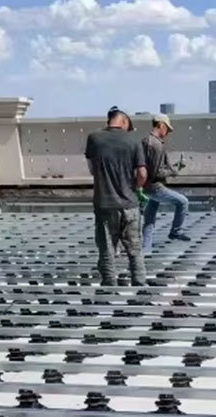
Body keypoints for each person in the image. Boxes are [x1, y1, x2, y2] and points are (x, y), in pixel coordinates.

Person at [84, 107, 148, 286]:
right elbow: (142, 173)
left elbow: (92, 169)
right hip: (129, 204)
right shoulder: (134, 140)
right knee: (135, 250)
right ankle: (140, 285)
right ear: (124, 121)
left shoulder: (94, 138)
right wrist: (136, 187)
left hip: (104, 203)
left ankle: (109, 287)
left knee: (107, 249)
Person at [142, 113, 189, 255]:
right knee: (183, 202)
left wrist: (174, 168)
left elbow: (150, 167)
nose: (167, 132)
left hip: (145, 185)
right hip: (155, 187)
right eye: (167, 129)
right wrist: (175, 170)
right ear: (161, 125)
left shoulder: (145, 141)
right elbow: (157, 172)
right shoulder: (156, 145)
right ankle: (176, 231)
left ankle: (146, 249)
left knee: (149, 220)